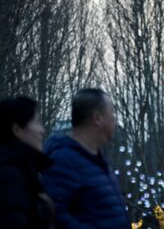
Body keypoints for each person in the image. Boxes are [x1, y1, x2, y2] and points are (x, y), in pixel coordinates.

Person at [42, 88, 130, 229]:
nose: (114, 119)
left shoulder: (98, 161)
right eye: (112, 113)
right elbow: (54, 215)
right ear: (97, 118)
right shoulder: (63, 161)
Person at [0, 97, 54, 229]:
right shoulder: (9, 174)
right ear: (17, 129)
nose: (42, 130)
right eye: (37, 122)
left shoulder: (22, 167)